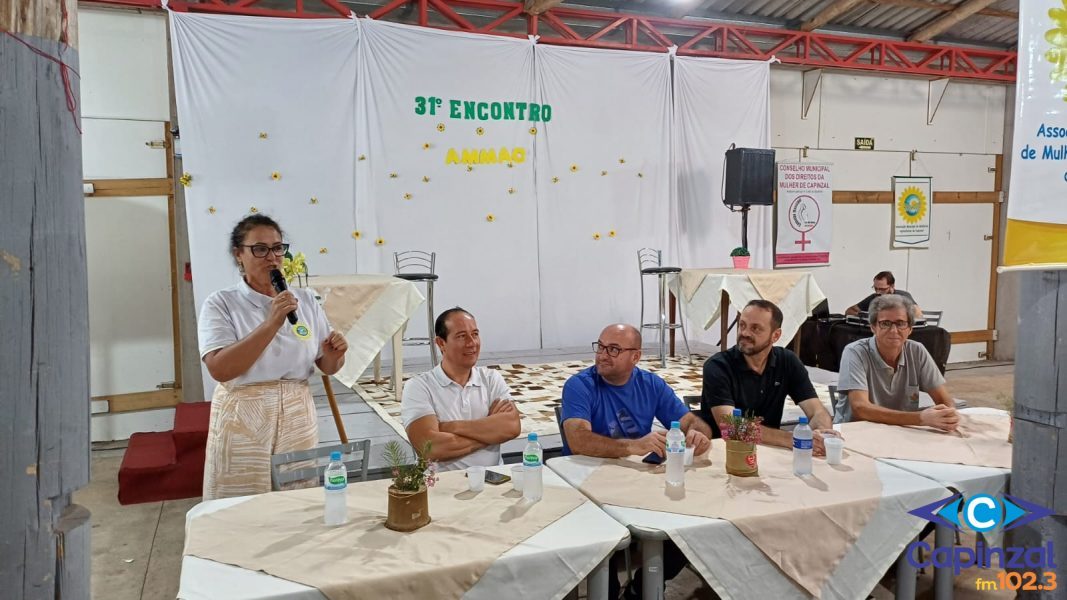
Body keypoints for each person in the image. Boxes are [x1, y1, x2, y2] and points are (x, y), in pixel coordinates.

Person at [198, 214, 348, 500]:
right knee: (240, 501)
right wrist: (271, 323)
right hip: (243, 414)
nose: (272, 257)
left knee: (297, 498)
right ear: (238, 254)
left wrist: (334, 355)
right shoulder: (222, 303)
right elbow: (219, 369)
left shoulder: (304, 300)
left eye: (278, 248)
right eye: (260, 249)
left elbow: (327, 366)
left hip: (297, 413)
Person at [561, 323, 712, 599]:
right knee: (599, 546)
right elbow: (578, 440)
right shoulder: (579, 386)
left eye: (614, 349)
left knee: (694, 523)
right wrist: (633, 445)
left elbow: (691, 423)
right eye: (601, 346)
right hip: (586, 486)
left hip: (637, 483)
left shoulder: (651, 384)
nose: (603, 355)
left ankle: (642, 588)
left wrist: (698, 435)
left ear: (636, 357)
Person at [701, 300, 839, 456]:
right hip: (728, 453)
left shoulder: (787, 361)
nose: (745, 333)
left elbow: (816, 411)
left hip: (773, 452)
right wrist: (790, 439)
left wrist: (822, 434)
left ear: (776, 335)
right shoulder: (717, 366)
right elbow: (731, 427)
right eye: (742, 325)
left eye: (755, 328)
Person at [402, 308, 520, 471]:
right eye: (462, 336)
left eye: (475, 334)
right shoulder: (418, 387)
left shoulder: (492, 379)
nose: (472, 343)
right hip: (442, 487)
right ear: (441, 343)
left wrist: (452, 427)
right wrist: (491, 432)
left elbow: (512, 426)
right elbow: (430, 448)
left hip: (493, 480)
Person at [835, 294, 958, 431]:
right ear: (873, 327)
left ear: (910, 328)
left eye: (900, 323)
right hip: (857, 432)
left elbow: (944, 400)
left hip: (902, 431)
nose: (893, 331)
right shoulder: (855, 352)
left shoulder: (917, 351)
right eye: (885, 324)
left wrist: (949, 416)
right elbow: (860, 408)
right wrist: (920, 418)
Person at [845, 270, 923, 318]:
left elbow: (918, 315)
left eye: (882, 289)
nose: (878, 292)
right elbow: (849, 311)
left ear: (892, 286)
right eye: (875, 288)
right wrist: (864, 316)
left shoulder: (903, 296)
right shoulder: (874, 297)